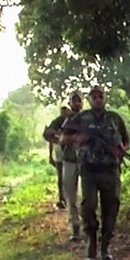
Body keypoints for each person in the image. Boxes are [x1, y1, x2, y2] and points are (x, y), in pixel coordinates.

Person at [63, 85, 130, 260]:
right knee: (88, 206)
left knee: (111, 206)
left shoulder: (114, 119)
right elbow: (63, 137)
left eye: (100, 96)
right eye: (94, 97)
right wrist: (77, 139)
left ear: (105, 98)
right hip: (89, 170)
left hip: (110, 169)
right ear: (90, 99)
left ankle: (106, 245)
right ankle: (91, 240)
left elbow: (126, 141)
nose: (98, 99)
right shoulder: (80, 118)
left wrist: (121, 150)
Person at [46, 93, 84, 239]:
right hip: (69, 160)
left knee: (87, 197)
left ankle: (88, 226)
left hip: (86, 161)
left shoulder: (87, 118)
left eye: (78, 100)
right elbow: (47, 133)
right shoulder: (63, 120)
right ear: (69, 103)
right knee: (70, 196)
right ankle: (75, 226)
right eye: (73, 101)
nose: (76, 103)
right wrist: (61, 139)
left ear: (82, 103)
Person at [43, 105, 71, 209]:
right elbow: (49, 137)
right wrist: (50, 155)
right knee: (61, 177)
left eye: (66, 110)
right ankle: (62, 198)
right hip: (59, 154)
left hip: (71, 155)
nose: (64, 112)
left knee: (69, 178)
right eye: (62, 110)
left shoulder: (73, 121)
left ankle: (69, 198)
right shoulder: (56, 122)